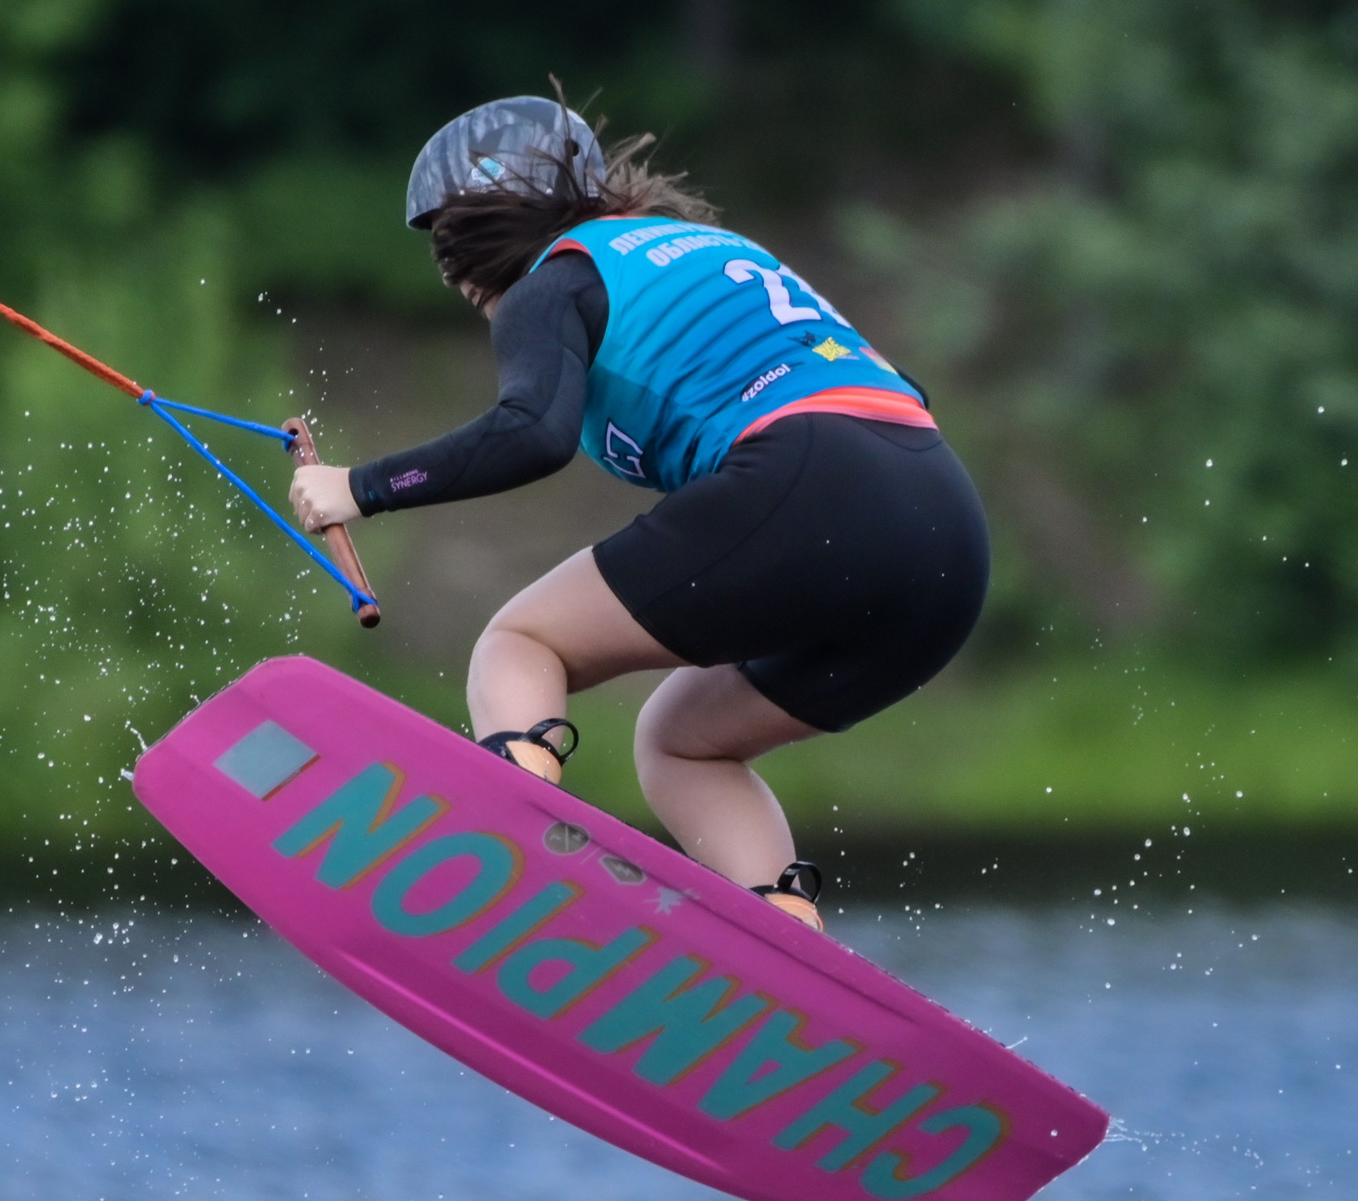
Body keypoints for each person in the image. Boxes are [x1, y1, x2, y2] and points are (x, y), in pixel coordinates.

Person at [288, 96, 988, 932]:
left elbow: (531, 435)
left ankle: (512, 850)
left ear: (485, 228)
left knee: (522, 642)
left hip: (812, 474)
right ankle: (789, 947)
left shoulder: (556, 280)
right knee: (682, 742)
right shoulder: (707, 251)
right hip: (946, 534)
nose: (460, 284)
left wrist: (359, 487)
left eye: (450, 250)